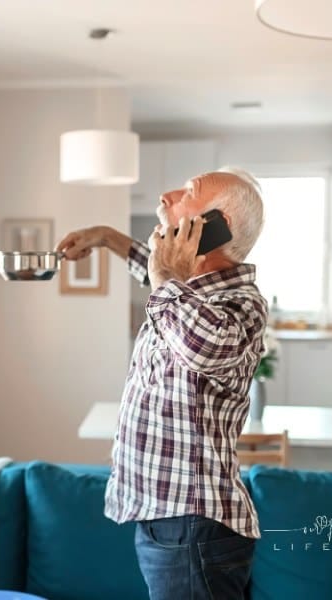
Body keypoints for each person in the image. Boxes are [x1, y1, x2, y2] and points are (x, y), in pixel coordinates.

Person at [55, 167, 267, 600]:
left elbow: (201, 342)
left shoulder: (240, 303)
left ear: (214, 228)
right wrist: (107, 237)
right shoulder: (186, 293)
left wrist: (166, 276)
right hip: (172, 522)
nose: (165, 196)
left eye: (188, 192)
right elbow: (163, 283)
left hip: (193, 527)